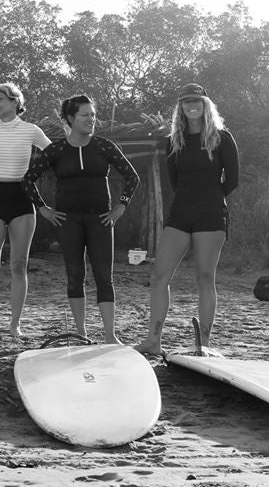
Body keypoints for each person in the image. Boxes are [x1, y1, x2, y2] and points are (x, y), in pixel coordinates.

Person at [23, 95, 139, 344]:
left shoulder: (104, 146)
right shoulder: (56, 150)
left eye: (93, 115)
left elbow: (132, 176)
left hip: (101, 220)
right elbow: (27, 179)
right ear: (70, 119)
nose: (91, 119)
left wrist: (121, 206)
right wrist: (43, 208)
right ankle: (81, 333)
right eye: (85, 115)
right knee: (75, 274)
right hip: (68, 221)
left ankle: (109, 335)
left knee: (103, 276)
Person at [135, 83, 239, 355]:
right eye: (185, 101)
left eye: (196, 100)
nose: (191, 105)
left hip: (211, 215)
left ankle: (204, 344)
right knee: (159, 276)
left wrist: (212, 198)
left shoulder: (222, 137)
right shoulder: (173, 141)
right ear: (180, 107)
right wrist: (191, 199)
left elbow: (233, 180)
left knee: (205, 277)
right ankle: (153, 341)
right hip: (180, 214)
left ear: (206, 104)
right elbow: (175, 181)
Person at [0, 82, 51, 340]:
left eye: (0, 99)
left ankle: (14, 326)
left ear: (15, 101)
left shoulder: (31, 130)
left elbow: (52, 153)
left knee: (19, 265)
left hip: (22, 199)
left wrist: (35, 172)